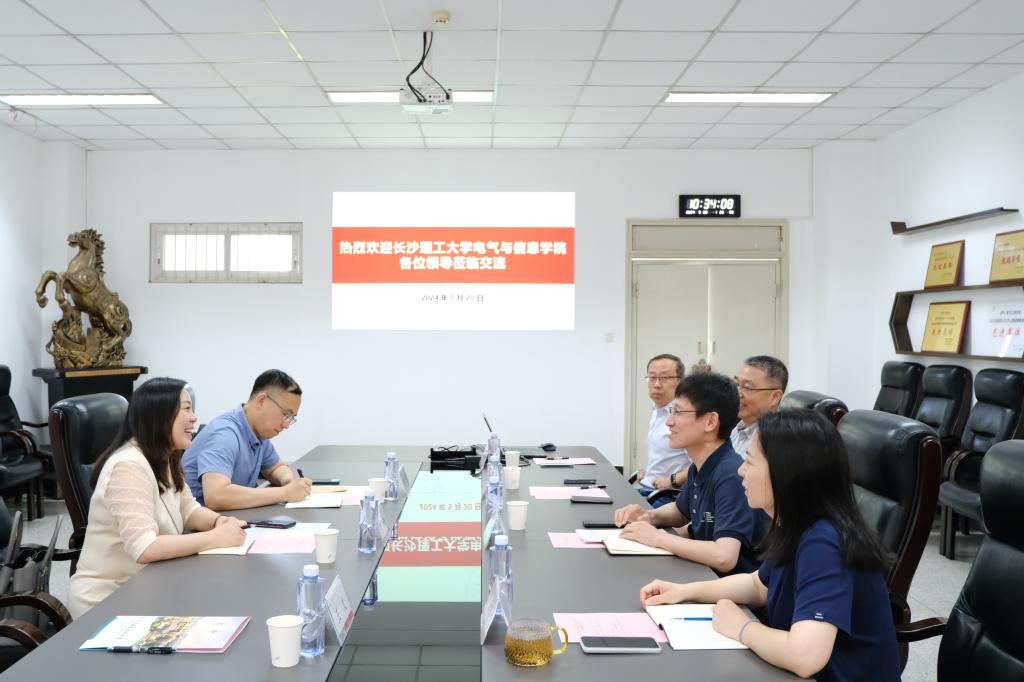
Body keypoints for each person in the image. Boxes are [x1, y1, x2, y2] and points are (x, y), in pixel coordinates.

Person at [640, 410, 899, 682]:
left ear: (785, 473)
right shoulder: (796, 522)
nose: (741, 470)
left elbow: (806, 657)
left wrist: (743, 627)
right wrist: (684, 591)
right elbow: (758, 585)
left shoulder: (824, 542)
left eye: (750, 462)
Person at [68, 378, 248, 617]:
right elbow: (145, 547)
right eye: (186, 409)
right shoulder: (128, 466)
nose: (194, 418)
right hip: (108, 600)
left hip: (149, 585)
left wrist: (218, 521)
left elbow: (188, 509)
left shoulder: (164, 456)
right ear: (159, 415)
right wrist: (215, 537)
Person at [614, 372, 760, 575]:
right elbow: (681, 511)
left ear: (710, 422)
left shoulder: (730, 474)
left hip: (724, 586)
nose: (669, 422)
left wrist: (658, 538)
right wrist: (646, 516)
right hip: (701, 572)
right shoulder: (701, 464)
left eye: (678, 412)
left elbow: (724, 556)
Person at [182, 369, 311, 511]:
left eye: (291, 419)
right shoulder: (225, 435)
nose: (286, 425)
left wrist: (288, 481)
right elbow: (216, 496)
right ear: (262, 401)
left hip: (231, 518)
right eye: (285, 414)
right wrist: (284, 493)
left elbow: (276, 468)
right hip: (198, 522)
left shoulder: (257, 432)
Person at [634, 353, 690, 507]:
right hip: (647, 488)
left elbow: (701, 464)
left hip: (667, 496)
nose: (657, 384)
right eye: (652, 378)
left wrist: (672, 480)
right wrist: (650, 470)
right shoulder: (658, 410)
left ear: (681, 381)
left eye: (664, 378)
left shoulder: (684, 415)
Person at [731, 355, 787, 459]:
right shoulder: (740, 426)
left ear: (774, 397)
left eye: (747, 387)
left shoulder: (772, 445)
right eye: (736, 384)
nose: (737, 393)